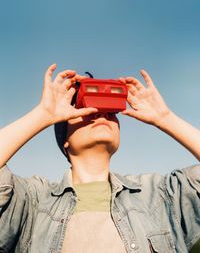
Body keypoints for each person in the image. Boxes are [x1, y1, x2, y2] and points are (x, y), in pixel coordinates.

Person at [0, 63, 199, 253]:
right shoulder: (33, 200)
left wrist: (165, 118)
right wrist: (42, 114)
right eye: (84, 109)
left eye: (110, 112)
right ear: (64, 140)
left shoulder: (160, 195)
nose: (100, 115)